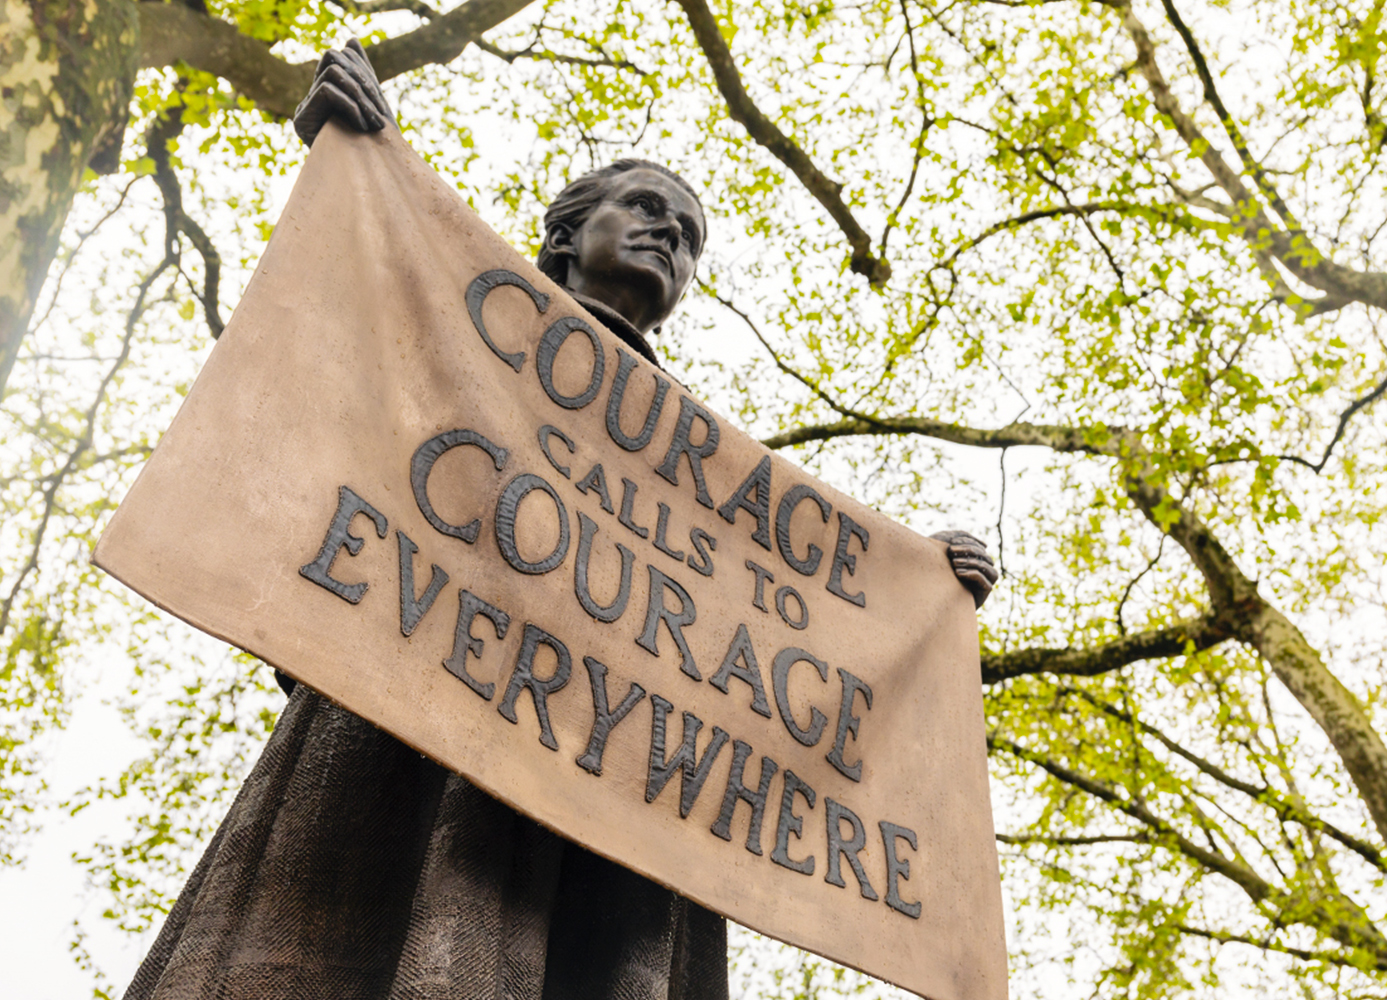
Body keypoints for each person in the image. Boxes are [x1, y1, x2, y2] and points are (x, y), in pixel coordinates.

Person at [124, 41, 999, 1000]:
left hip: (617, 810)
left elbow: (770, 660)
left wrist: (915, 592)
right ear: (567, 234)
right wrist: (348, 160)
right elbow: (325, 425)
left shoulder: (717, 488)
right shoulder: (445, 325)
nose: (672, 238)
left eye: (691, 237)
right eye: (649, 211)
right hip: (409, 734)